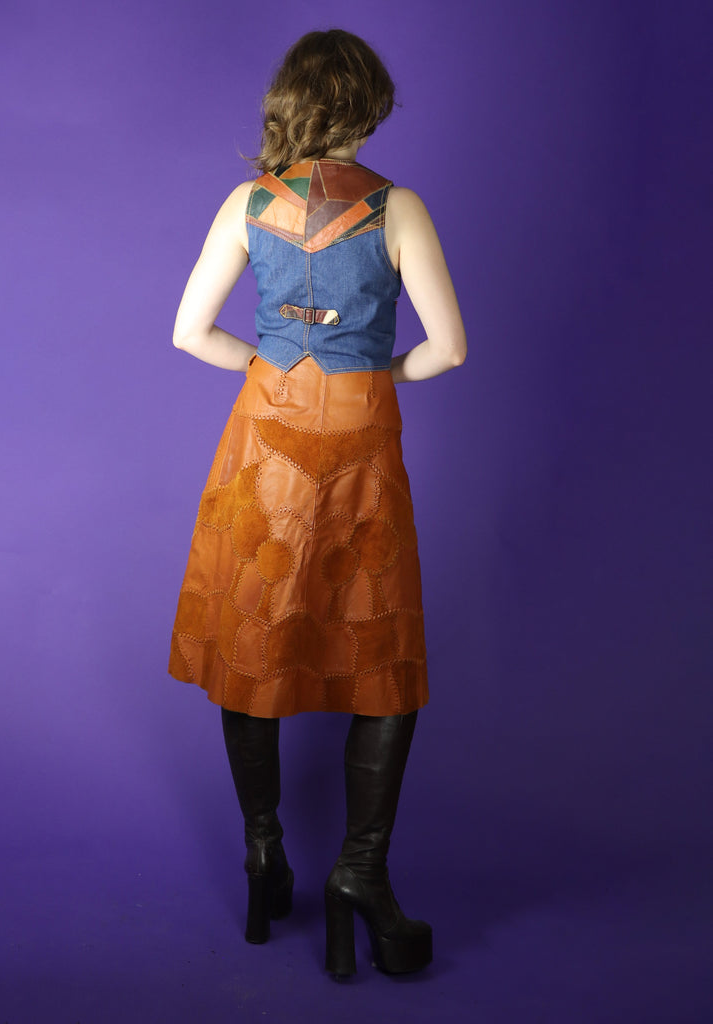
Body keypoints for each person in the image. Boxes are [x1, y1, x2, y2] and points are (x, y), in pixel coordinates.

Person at [169, 29, 466, 977]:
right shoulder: (398, 208)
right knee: (382, 653)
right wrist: (374, 373)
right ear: (367, 106)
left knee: (250, 641)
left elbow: (188, 334)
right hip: (360, 445)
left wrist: (270, 370)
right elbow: (448, 350)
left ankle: (264, 854)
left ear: (291, 103)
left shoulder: (245, 203)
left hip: (262, 442)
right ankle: (360, 873)